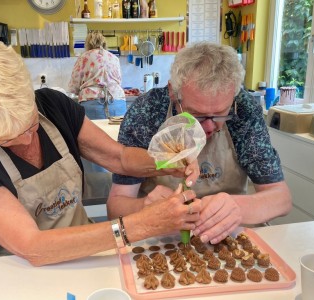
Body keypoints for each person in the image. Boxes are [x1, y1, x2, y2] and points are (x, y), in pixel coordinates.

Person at [0, 37, 201, 266]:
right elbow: (33, 246)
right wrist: (145, 223)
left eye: (31, 123)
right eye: (8, 139)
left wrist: (168, 161)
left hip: (84, 247)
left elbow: (119, 158)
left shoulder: (53, 106)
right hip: (11, 264)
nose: (28, 138)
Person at [107, 42, 292, 245]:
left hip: (229, 238)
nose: (210, 126)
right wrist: (145, 207)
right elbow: (116, 206)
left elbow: (281, 199)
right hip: (160, 240)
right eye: (196, 114)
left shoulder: (244, 110)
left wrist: (238, 208)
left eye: (221, 114)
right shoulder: (146, 113)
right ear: (173, 93)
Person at [68, 31, 126, 120]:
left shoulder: (84, 57)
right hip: (117, 102)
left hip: (92, 104)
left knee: (92, 134)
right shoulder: (114, 58)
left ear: (87, 44)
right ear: (104, 43)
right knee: (115, 133)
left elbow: (73, 86)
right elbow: (119, 81)